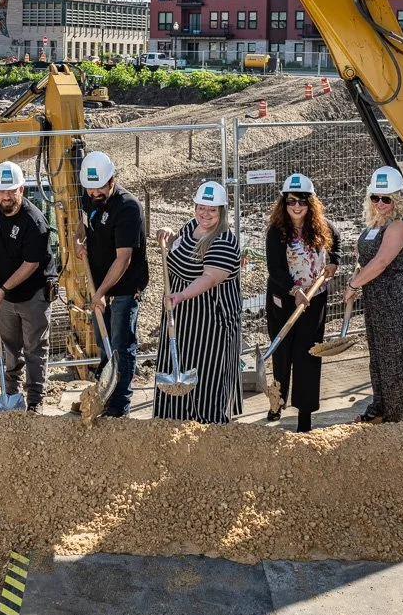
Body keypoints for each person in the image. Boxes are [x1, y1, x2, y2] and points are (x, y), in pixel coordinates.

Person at [153, 181, 242, 424]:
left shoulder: (223, 240)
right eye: (201, 207)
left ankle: (208, 429)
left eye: (212, 210)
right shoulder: (193, 226)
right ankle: (173, 421)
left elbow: (209, 278)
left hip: (210, 321)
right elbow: (179, 248)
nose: (205, 214)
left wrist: (181, 295)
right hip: (181, 317)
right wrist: (169, 236)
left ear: (222, 211)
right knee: (177, 366)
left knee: (207, 374)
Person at [0, 161, 58, 413]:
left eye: (12, 191)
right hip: (6, 294)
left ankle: (35, 399)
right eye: (2, 191)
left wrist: (2, 290)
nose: (6, 196)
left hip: (33, 294)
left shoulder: (35, 223)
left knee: (34, 348)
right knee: (9, 346)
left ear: (21, 190)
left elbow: (31, 264)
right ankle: (10, 392)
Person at [343, 166, 403, 424]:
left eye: (386, 199)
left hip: (395, 295)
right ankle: (381, 408)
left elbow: (381, 261)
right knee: (379, 355)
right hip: (376, 296)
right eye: (375, 197)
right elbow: (365, 258)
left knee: (398, 357)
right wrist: (359, 275)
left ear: (398, 198)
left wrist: (354, 285)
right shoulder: (377, 222)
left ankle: (402, 417)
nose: (380, 203)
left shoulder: (400, 225)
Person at [73, 151, 148, 417]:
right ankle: (102, 395)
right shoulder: (90, 195)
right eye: (90, 189)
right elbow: (84, 222)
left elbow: (124, 259)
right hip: (99, 287)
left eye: (99, 188)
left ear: (112, 180)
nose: (94, 193)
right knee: (104, 345)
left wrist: (102, 293)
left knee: (120, 346)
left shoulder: (128, 208)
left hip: (123, 289)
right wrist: (79, 237)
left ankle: (118, 407)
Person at [264, 173, 339, 430]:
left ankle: (304, 415)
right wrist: (294, 290)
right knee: (282, 354)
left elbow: (336, 243)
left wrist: (333, 262)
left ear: (311, 203)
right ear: (283, 203)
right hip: (283, 301)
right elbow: (275, 268)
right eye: (291, 201)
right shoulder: (276, 232)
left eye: (303, 201)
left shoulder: (322, 227)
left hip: (314, 301)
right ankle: (277, 403)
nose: (297, 206)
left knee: (308, 354)